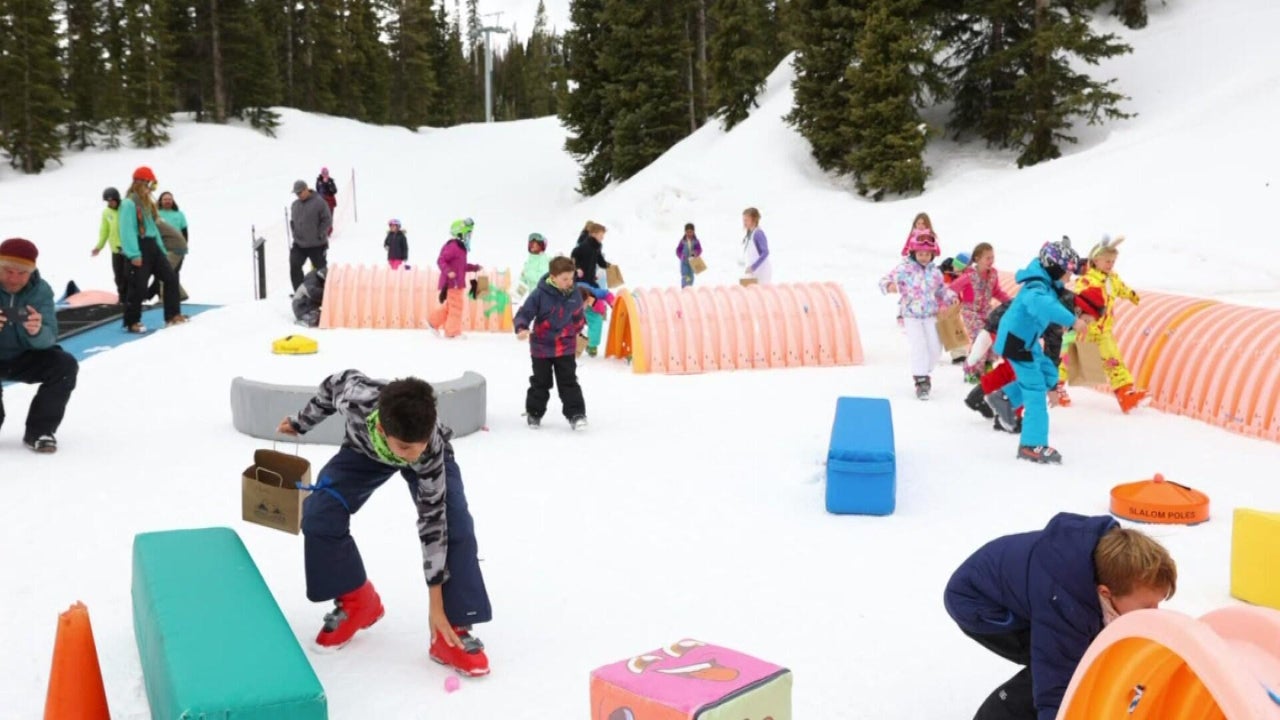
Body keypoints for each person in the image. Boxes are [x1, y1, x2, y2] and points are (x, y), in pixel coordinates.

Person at [277, 370, 493, 676]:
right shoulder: (355, 396)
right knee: (318, 513)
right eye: (403, 448)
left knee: (454, 527)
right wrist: (301, 422)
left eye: (415, 446)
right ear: (381, 426)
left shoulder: (426, 450)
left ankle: (451, 628)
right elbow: (328, 390)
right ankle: (357, 600)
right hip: (363, 452)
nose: (409, 456)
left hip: (432, 463)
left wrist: (436, 605)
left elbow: (433, 525)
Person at [945, 513, 1177, 720]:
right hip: (980, 604)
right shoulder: (1064, 604)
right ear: (1105, 592)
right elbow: (1054, 682)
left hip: (1026, 585)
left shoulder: (1109, 562)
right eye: (1147, 607)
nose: (1154, 613)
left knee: (1079, 655)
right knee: (1059, 670)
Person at [984, 238, 1091, 464]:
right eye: (1067, 274)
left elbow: (1057, 293)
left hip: (1027, 341)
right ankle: (1031, 445)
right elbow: (1043, 305)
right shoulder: (1036, 287)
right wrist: (1073, 320)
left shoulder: (1046, 282)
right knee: (1034, 393)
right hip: (1017, 342)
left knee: (1049, 374)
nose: (1069, 279)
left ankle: (1004, 397)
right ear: (1054, 268)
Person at [0, 238, 79, 454]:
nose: (14, 278)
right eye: (8, 271)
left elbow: (49, 337)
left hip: (25, 356)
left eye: (22, 273)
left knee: (64, 365)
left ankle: (40, 431)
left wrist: (36, 331)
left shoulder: (41, 290)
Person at [879, 231, 956, 400]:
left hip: (930, 315)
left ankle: (922, 370)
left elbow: (941, 290)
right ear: (913, 253)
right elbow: (884, 280)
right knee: (919, 345)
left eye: (927, 254)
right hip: (911, 315)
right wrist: (890, 286)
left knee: (936, 348)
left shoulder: (935, 272)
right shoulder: (905, 268)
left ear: (933, 254)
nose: (924, 257)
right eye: (920, 254)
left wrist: (950, 298)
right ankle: (921, 380)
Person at [514, 256, 588, 430]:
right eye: (565, 279)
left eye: (571, 278)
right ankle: (534, 413)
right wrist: (521, 328)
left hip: (565, 346)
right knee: (541, 382)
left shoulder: (574, 293)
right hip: (542, 347)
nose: (569, 282)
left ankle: (576, 414)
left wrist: (578, 331)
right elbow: (525, 312)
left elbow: (578, 315)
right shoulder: (540, 294)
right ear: (553, 277)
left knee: (568, 381)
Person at [1076, 235, 1146, 413]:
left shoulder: (1112, 278)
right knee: (1071, 360)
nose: (1110, 264)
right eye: (1107, 261)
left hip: (1104, 331)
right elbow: (1078, 298)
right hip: (1086, 329)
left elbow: (1120, 288)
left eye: (1113, 261)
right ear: (1095, 260)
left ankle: (1126, 395)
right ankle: (1056, 387)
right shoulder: (1087, 279)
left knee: (1114, 360)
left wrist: (1131, 295)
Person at [119, 166, 186, 332]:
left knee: (170, 278)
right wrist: (133, 253)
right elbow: (126, 229)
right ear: (141, 183)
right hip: (138, 246)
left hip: (152, 246)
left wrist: (161, 248)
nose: (151, 189)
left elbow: (153, 228)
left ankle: (173, 315)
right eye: (151, 185)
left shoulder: (146, 204)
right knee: (139, 286)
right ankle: (132, 321)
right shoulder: (129, 204)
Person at [950, 243, 1013, 382]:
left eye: (992, 257)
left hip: (986, 311)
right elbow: (952, 289)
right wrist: (953, 299)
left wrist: (1010, 302)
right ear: (977, 259)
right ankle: (971, 369)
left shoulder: (993, 274)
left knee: (993, 336)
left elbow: (996, 291)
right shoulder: (968, 276)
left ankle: (987, 364)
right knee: (980, 338)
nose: (991, 261)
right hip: (970, 312)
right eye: (988, 258)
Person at [428, 218, 481, 338]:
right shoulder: (453, 246)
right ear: (460, 233)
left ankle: (433, 322)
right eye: (468, 233)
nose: (470, 236)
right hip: (452, 283)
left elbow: (462, 267)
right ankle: (452, 333)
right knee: (456, 307)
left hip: (457, 283)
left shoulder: (461, 249)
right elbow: (441, 260)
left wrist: (475, 267)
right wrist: (448, 271)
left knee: (450, 307)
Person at [571, 221, 611, 355]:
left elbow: (599, 260)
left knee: (595, 315)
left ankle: (592, 344)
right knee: (589, 308)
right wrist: (577, 269)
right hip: (581, 285)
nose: (602, 238)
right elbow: (574, 254)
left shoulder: (597, 247)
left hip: (590, 283)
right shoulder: (583, 245)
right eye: (601, 235)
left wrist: (607, 265)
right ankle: (573, 342)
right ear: (593, 234)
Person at [289, 179, 333, 292]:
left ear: (306, 189)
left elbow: (327, 220)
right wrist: (295, 233)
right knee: (294, 265)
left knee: (321, 270)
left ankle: (325, 293)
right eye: (296, 193)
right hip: (299, 244)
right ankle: (299, 292)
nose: (298, 195)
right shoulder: (295, 205)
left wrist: (319, 234)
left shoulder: (319, 202)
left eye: (300, 192)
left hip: (317, 244)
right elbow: (293, 222)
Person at [151, 191, 189, 303]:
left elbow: (185, 232)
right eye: (165, 199)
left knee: (166, 272)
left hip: (177, 248)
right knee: (169, 273)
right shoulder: (156, 214)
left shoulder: (179, 214)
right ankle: (181, 294)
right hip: (162, 247)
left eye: (169, 199)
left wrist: (184, 247)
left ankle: (165, 298)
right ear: (160, 201)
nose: (168, 201)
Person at [92, 187, 128, 304]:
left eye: (112, 201)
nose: (110, 203)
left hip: (129, 249)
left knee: (129, 275)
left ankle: (132, 298)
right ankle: (122, 299)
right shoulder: (106, 213)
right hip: (116, 250)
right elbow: (104, 230)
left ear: (117, 199)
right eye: (108, 201)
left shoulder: (126, 209)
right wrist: (99, 246)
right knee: (118, 276)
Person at [741, 207, 771, 284]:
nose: (744, 223)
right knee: (746, 292)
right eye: (743, 220)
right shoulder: (749, 234)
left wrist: (753, 267)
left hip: (761, 272)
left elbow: (765, 252)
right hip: (752, 272)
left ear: (754, 220)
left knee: (756, 294)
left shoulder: (758, 233)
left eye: (746, 220)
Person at [516, 233, 550, 300]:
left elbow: (541, 279)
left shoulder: (544, 259)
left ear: (541, 245)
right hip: (534, 297)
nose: (532, 245)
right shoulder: (529, 260)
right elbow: (524, 281)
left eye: (535, 243)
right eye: (531, 243)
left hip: (544, 297)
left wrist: (526, 273)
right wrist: (516, 295)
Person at [676, 223, 703, 288]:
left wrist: (696, 252)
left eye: (691, 232)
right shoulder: (682, 241)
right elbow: (678, 250)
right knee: (685, 276)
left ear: (693, 232)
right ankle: (684, 288)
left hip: (693, 261)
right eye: (687, 232)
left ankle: (689, 289)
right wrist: (681, 255)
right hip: (684, 262)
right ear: (685, 232)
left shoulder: (696, 241)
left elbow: (699, 249)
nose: (689, 234)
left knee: (691, 276)